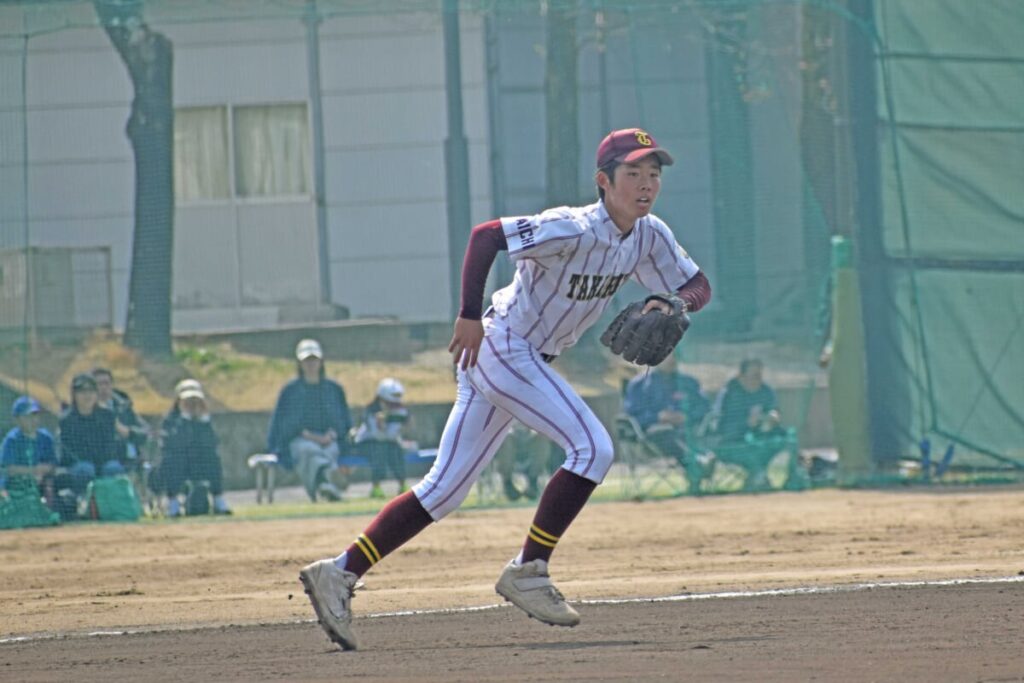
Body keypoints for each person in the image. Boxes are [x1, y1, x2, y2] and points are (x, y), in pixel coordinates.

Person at [298, 127, 712, 651]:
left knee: (443, 490)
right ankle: (529, 569)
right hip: (502, 346)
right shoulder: (572, 227)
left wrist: (674, 305)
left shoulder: (649, 234)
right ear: (604, 182)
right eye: (632, 172)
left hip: (522, 359)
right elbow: (486, 236)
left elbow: (697, 283)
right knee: (594, 448)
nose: (646, 183)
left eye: (654, 173)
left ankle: (339, 572)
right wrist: (468, 315)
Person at [267, 339, 351, 502]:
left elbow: (343, 420)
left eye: (314, 360)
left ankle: (324, 485)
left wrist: (331, 435)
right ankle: (327, 479)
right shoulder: (290, 391)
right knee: (308, 451)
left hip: (328, 440)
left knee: (329, 451)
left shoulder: (334, 389)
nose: (311, 364)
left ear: (321, 361)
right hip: (300, 440)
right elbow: (282, 422)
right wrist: (309, 436)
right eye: (307, 361)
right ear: (300, 363)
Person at [622, 352, 711, 493]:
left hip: (686, 430)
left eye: (674, 355)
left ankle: (697, 465)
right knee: (664, 432)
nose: (671, 359)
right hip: (653, 437)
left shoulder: (689, 382)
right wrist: (658, 417)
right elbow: (633, 414)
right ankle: (697, 461)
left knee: (686, 433)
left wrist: (687, 416)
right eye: (666, 355)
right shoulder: (640, 384)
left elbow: (704, 407)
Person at [708, 359, 800, 491]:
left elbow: (773, 410)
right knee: (753, 449)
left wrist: (773, 416)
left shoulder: (766, 391)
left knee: (788, 438)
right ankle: (758, 477)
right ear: (741, 376)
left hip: (760, 438)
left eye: (760, 376)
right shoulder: (729, 393)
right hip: (731, 442)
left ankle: (792, 478)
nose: (758, 380)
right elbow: (719, 425)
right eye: (754, 376)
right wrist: (747, 423)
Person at [151, 380, 231, 517]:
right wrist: (185, 418)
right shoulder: (170, 419)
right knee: (173, 461)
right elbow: (175, 442)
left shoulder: (205, 420)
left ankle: (218, 500)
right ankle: (173, 504)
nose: (192, 404)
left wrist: (204, 420)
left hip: (199, 463)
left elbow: (213, 442)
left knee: (213, 458)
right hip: (177, 463)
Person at [58, 373, 125, 496]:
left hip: (104, 462)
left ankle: (113, 505)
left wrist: (100, 462)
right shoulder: (66, 420)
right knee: (85, 470)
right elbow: (69, 452)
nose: (87, 395)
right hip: (78, 465)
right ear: (74, 395)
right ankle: (84, 503)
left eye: (91, 391)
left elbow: (110, 445)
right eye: (82, 391)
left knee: (114, 469)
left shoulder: (107, 416)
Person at [353, 378, 414, 499]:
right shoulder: (370, 411)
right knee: (380, 450)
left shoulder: (400, 412)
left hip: (387, 443)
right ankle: (376, 488)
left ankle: (402, 484)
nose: (392, 406)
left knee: (395, 450)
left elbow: (393, 435)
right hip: (366, 443)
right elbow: (377, 435)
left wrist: (405, 427)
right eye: (388, 402)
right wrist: (380, 424)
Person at [1, 397, 58, 501]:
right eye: (27, 416)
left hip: (43, 482)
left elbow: (52, 464)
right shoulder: (12, 440)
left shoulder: (46, 437)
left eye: (35, 415)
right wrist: (34, 471)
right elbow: (9, 469)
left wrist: (45, 470)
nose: (33, 420)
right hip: (17, 484)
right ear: (17, 419)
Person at [92, 367, 150, 468]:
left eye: (107, 383)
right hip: (99, 461)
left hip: (126, 459)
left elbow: (145, 432)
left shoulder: (123, 407)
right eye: (99, 384)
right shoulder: (85, 409)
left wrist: (127, 432)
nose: (103, 388)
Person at [491, 422, 554, 502]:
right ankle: (507, 483)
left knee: (543, 437)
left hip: (530, 441)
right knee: (506, 437)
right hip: (510, 441)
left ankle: (533, 482)